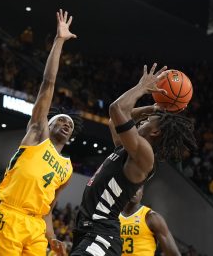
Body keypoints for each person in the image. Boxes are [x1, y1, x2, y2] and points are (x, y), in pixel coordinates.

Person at [0, 10, 81, 256]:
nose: (66, 124)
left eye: (70, 124)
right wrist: (59, 41)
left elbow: (48, 208)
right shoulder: (38, 134)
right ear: (47, 122)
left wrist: (53, 237)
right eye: (60, 119)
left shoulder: (67, 169)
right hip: (10, 216)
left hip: (36, 228)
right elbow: (48, 83)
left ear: (71, 137)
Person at [70, 64, 197, 256]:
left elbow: (117, 109)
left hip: (101, 236)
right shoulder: (127, 148)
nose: (141, 120)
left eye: (146, 121)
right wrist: (153, 108)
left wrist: (143, 87)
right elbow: (114, 120)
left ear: (155, 131)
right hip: (89, 232)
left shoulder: (144, 154)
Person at [119, 186, 181, 256]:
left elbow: (173, 253)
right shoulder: (112, 215)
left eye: (138, 188)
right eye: (132, 186)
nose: (135, 190)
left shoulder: (152, 218)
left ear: (142, 193)